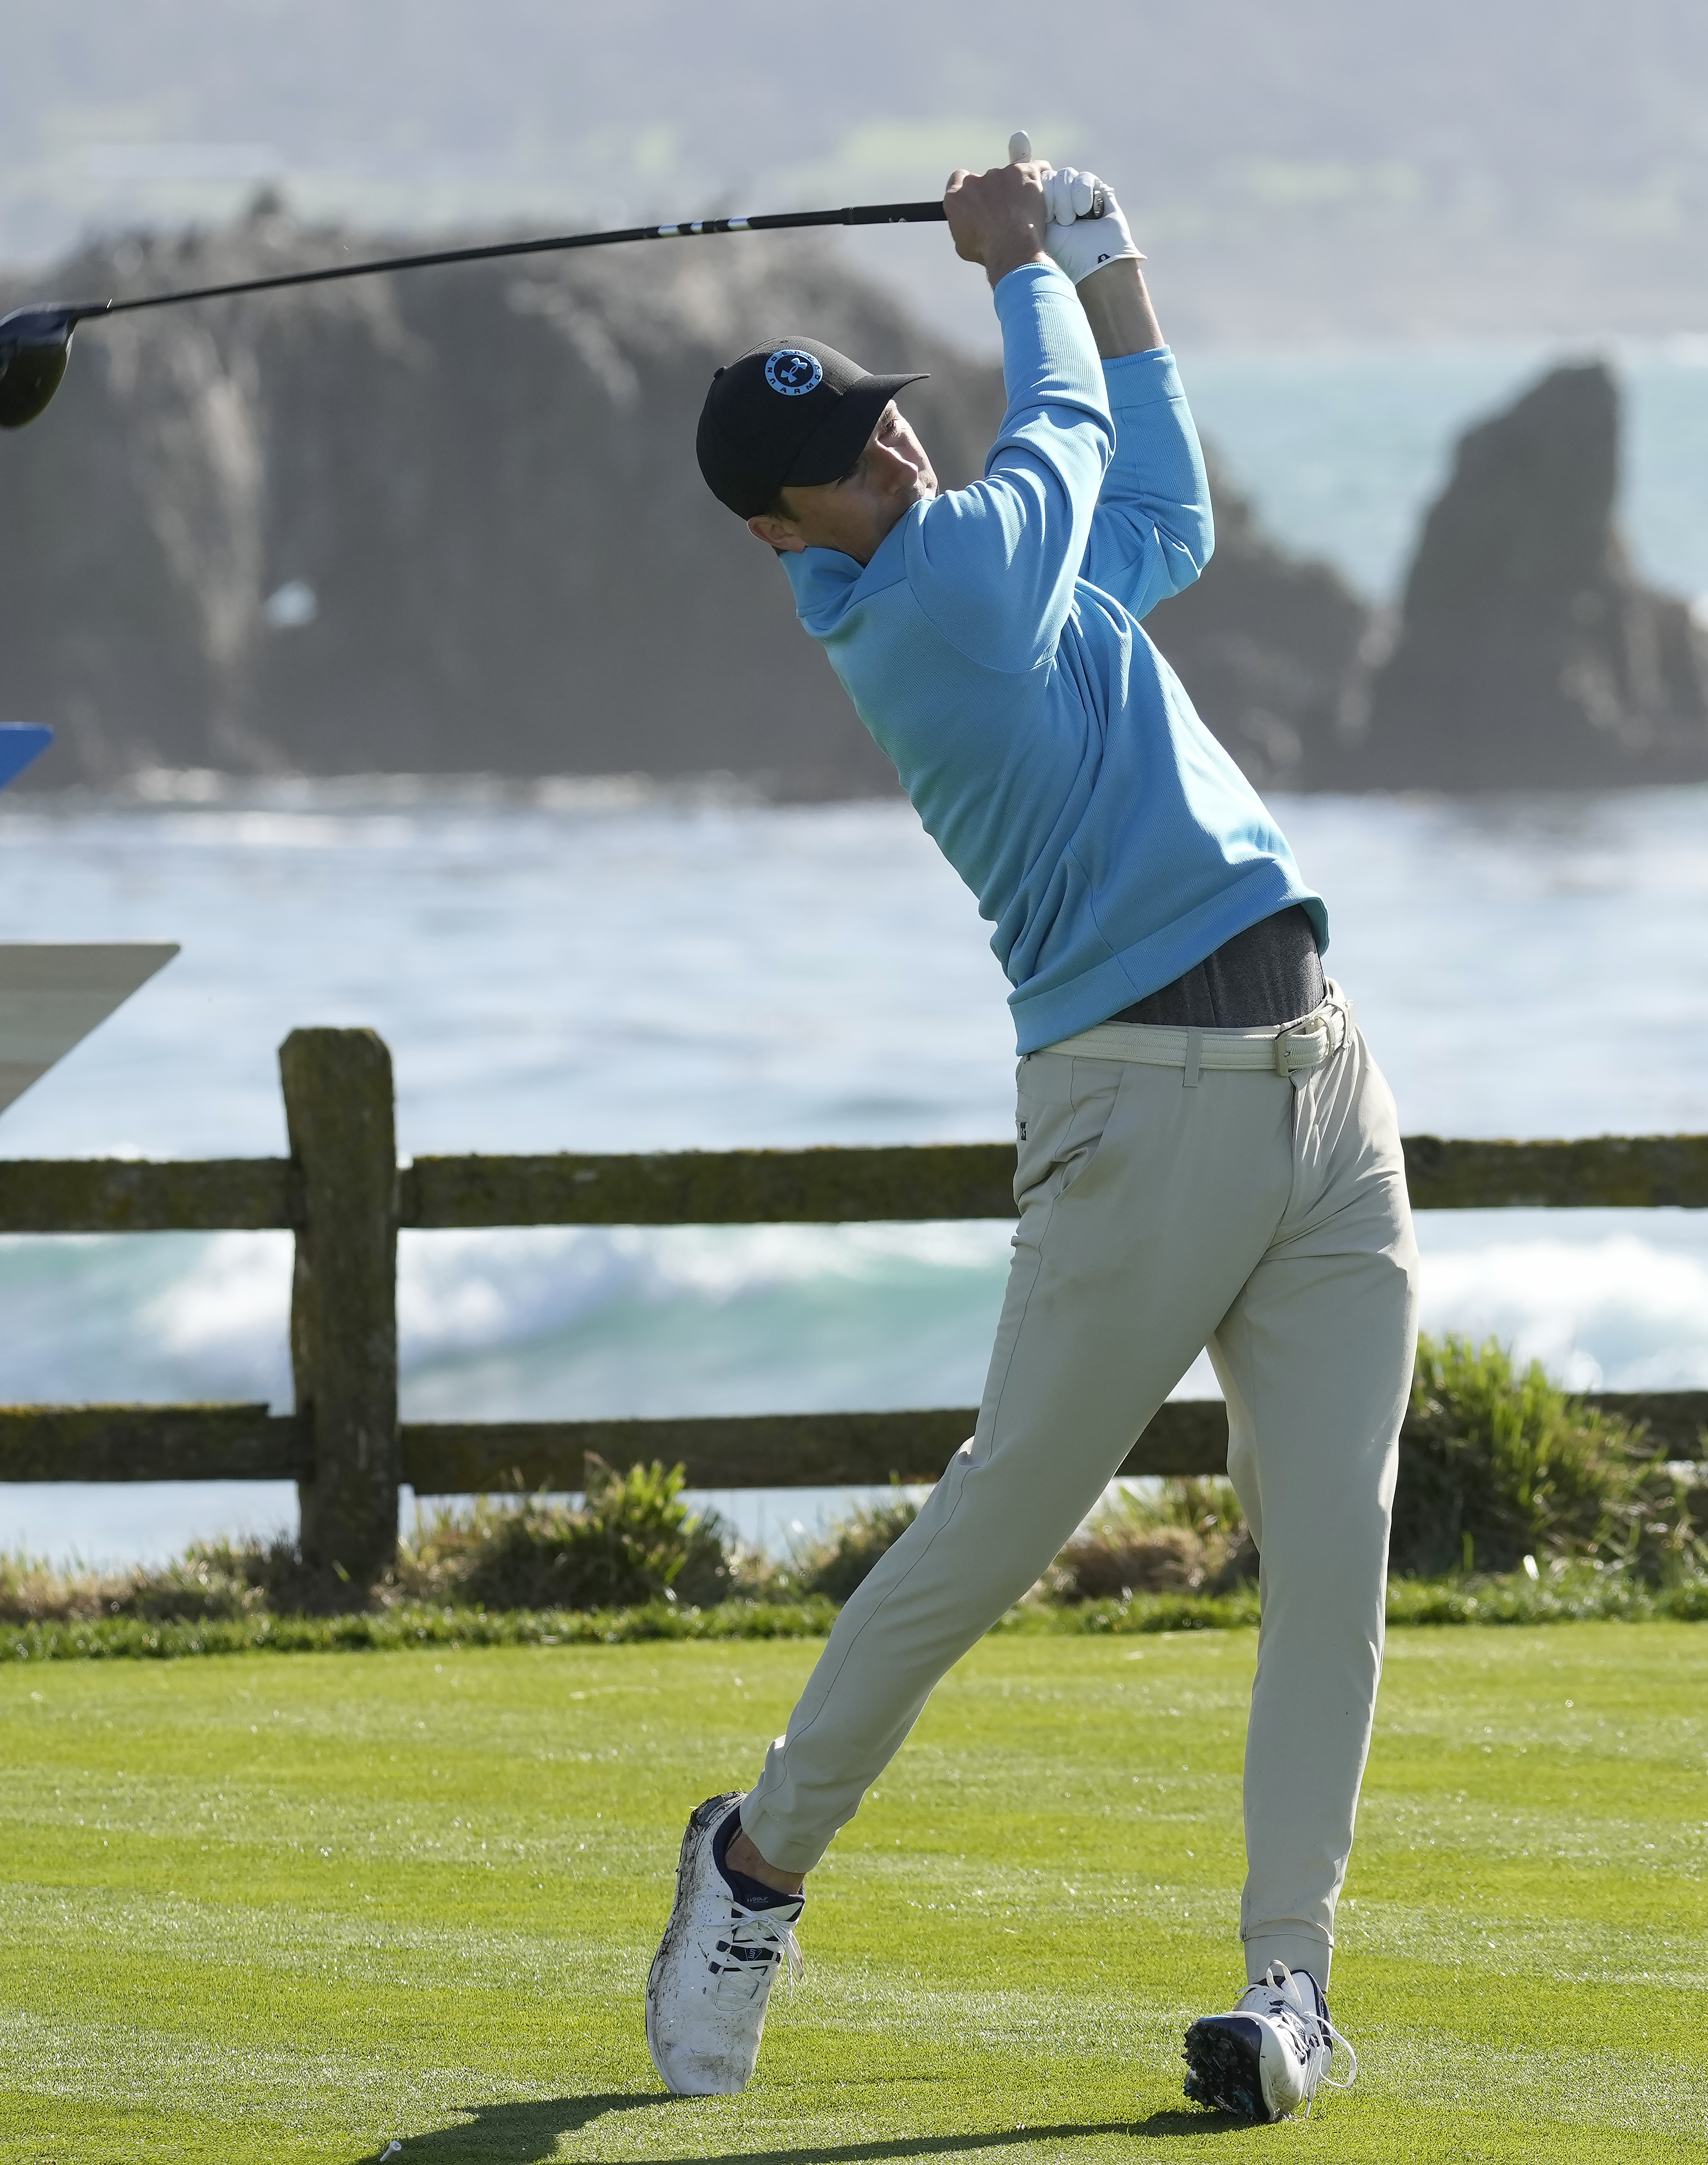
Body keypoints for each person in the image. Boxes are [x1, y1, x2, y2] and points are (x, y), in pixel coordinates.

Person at [644, 146, 1416, 2126]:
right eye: (847, 450)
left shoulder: (1004, 554)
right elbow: (1064, 424)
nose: (891, 446)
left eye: (883, 412)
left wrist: (1116, 259)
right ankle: (757, 1863)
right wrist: (1023, 274)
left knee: (1332, 1544)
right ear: (776, 531)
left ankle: (1290, 1985)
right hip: (1135, 1109)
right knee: (1001, 1522)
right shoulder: (922, 609)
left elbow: (1160, 501)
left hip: (1322, 1081)